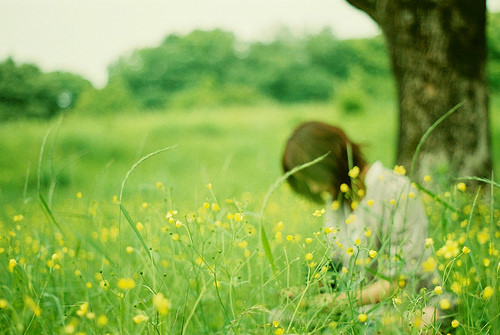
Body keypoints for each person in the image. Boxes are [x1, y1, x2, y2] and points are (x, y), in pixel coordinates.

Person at [282, 121, 437, 327]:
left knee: (378, 327)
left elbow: (397, 283)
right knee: (280, 318)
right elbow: (337, 268)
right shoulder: (337, 201)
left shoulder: (394, 190)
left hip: (408, 305)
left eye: (312, 178)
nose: (314, 187)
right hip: (358, 308)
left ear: (329, 163)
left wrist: (332, 303)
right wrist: (308, 291)